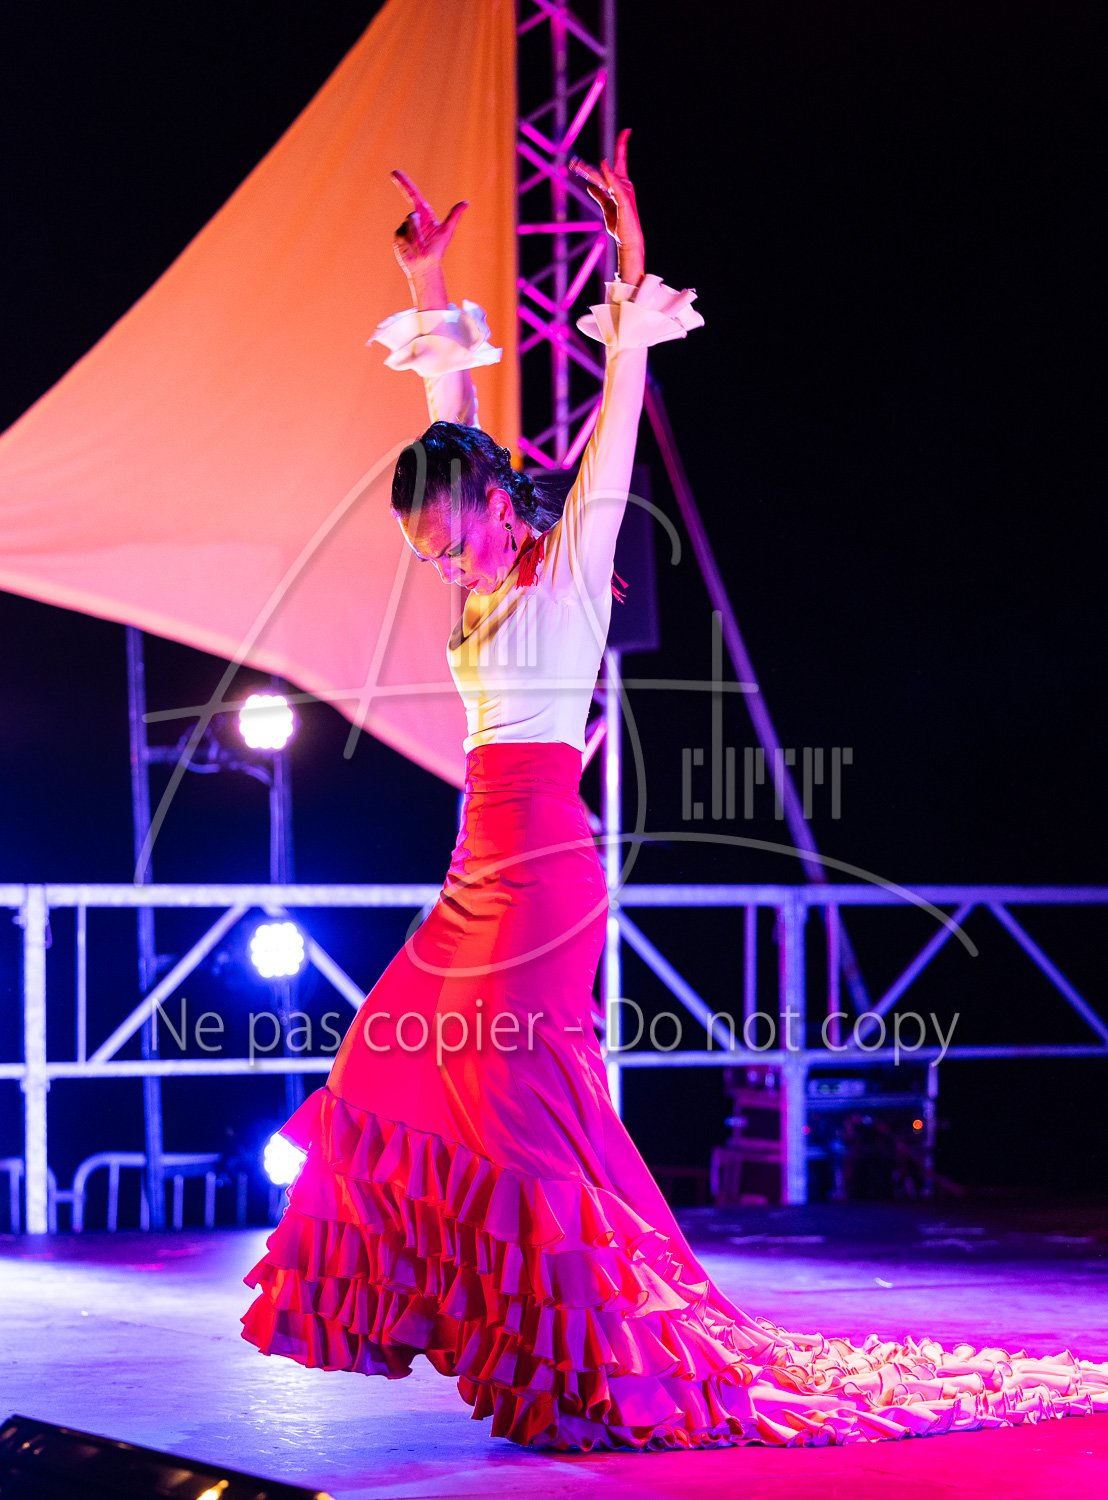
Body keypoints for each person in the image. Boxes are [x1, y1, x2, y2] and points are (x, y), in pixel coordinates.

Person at [241, 133, 1108, 1451]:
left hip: (544, 869)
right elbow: (449, 422)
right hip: (479, 856)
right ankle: (552, 1340)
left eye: (452, 540)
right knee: (392, 1059)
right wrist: (426, 286)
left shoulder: (571, 566)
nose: (445, 567)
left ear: (498, 508)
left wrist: (630, 269)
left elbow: (615, 419)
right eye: (427, 554)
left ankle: (593, 1353)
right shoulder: (479, 550)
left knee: (519, 1106)